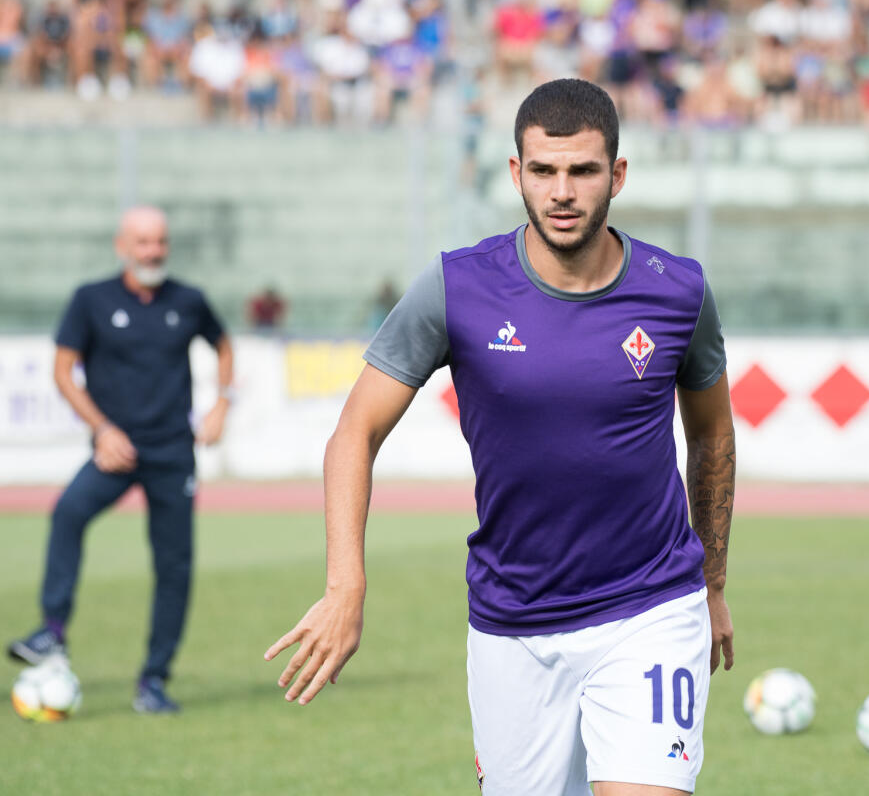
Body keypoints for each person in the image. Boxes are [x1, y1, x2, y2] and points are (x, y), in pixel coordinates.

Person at [266, 79, 736, 796]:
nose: (563, 191)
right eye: (543, 171)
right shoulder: (458, 288)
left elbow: (712, 436)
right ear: (516, 173)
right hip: (513, 622)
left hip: (651, 609)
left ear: (617, 174)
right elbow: (354, 432)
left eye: (582, 170)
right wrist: (345, 586)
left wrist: (711, 584)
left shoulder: (678, 291)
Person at [6, 206, 234, 714]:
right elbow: (64, 370)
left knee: (174, 567)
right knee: (68, 513)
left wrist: (223, 400)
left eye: (160, 242)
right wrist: (102, 429)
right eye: (143, 242)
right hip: (117, 450)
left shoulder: (188, 300)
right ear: (122, 245)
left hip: (174, 452)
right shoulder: (91, 300)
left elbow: (223, 344)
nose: (152, 250)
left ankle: (153, 679)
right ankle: (53, 631)